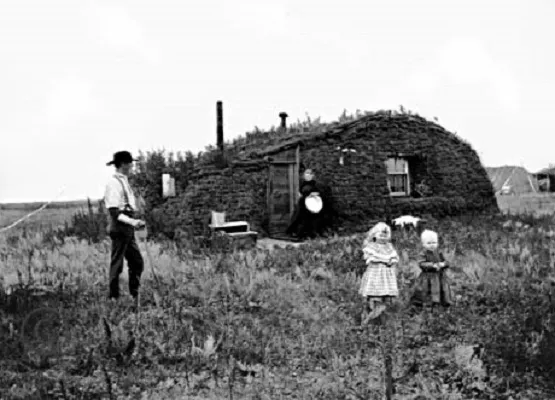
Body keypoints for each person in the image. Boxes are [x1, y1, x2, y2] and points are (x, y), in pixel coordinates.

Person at [104, 151, 146, 302]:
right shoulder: (114, 183)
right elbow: (114, 211)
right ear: (123, 164)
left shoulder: (124, 181)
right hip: (119, 226)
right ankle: (113, 297)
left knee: (137, 262)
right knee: (117, 263)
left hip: (127, 227)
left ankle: (135, 294)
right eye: (130, 163)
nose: (132, 166)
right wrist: (133, 222)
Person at [359, 222, 400, 322]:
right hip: (376, 274)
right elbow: (370, 259)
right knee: (375, 296)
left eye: (385, 236)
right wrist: (384, 260)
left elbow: (395, 258)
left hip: (387, 276)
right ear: (374, 235)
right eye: (380, 235)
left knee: (385, 299)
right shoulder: (372, 247)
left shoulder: (389, 247)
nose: (383, 238)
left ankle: (377, 319)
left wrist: (391, 261)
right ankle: (367, 319)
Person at [410, 229, 453, 311]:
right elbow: (421, 263)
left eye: (434, 242)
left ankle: (443, 305)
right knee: (427, 292)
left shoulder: (439, 252)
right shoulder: (423, 253)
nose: (432, 245)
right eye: (429, 243)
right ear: (423, 244)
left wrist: (443, 264)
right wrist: (432, 265)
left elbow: (447, 262)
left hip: (440, 276)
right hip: (428, 277)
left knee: (443, 290)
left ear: (437, 243)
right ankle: (426, 307)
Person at [286, 169, 329, 239]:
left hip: (313, 204)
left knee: (313, 220)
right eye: (306, 174)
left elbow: (321, 193)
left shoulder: (316, 184)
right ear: (304, 175)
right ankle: (298, 234)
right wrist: (301, 195)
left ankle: (312, 235)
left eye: (309, 174)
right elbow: (300, 193)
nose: (308, 175)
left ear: (312, 175)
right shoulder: (302, 184)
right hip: (303, 204)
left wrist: (316, 194)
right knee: (300, 218)